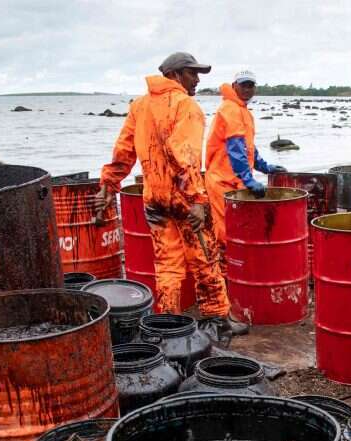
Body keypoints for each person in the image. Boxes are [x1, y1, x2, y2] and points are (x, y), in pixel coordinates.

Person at [95, 52, 245, 338]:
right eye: (192, 73)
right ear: (175, 75)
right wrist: (198, 200)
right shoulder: (186, 106)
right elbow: (184, 156)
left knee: (167, 264)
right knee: (205, 257)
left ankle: (168, 325)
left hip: (154, 199)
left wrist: (108, 186)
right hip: (184, 200)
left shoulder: (139, 106)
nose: (198, 79)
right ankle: (217, 319)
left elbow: (123, 152)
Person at [205, 70, 286, 259]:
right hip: (222, 181)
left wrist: (264, 166)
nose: (247, 89)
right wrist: (248, 179)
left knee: (238, 228)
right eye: (243, 85)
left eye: (251, 86)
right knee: (225, 232)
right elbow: (235, 149)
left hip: (235, 181)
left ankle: (238, 268)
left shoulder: (243, 111)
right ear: (234, 86)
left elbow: (247, 146)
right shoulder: (230, 109)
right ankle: (226, 275)